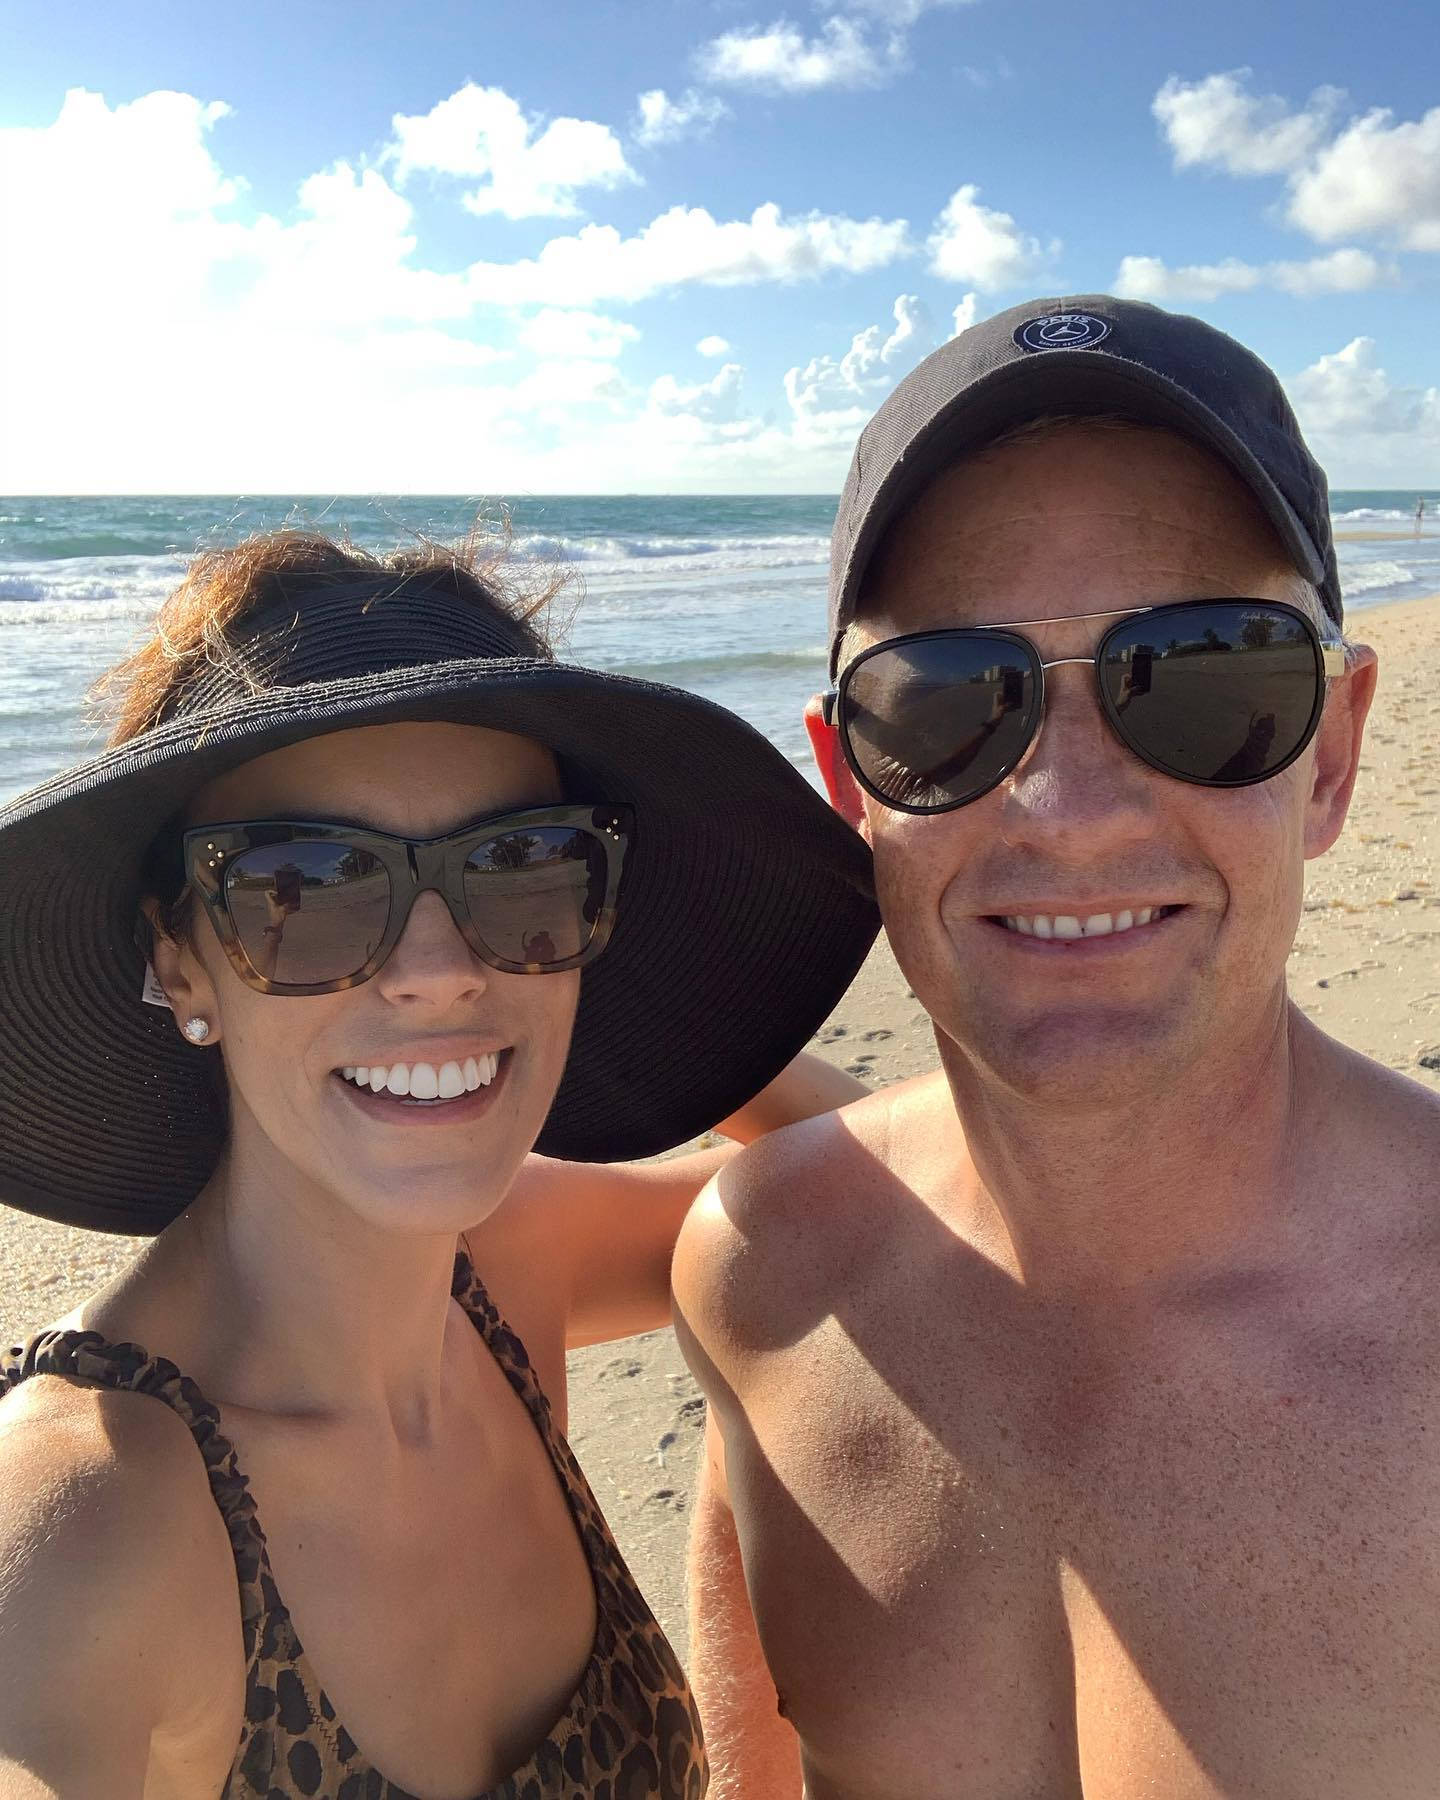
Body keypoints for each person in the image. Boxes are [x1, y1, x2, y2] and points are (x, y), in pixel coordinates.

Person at [674, 296, 1440, 1797]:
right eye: (951, 703)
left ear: (1333, 752)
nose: (1073, 810)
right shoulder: (764, 1273)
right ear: (850, 779)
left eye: (1211, 675)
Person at [0, 530, 878, 1799]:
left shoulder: (504, 1265)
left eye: (519, 867)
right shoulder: (90, 1526)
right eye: (305, 886)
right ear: (179, 959)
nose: (438, 970)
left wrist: (628, 1011)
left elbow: (891, 1190)